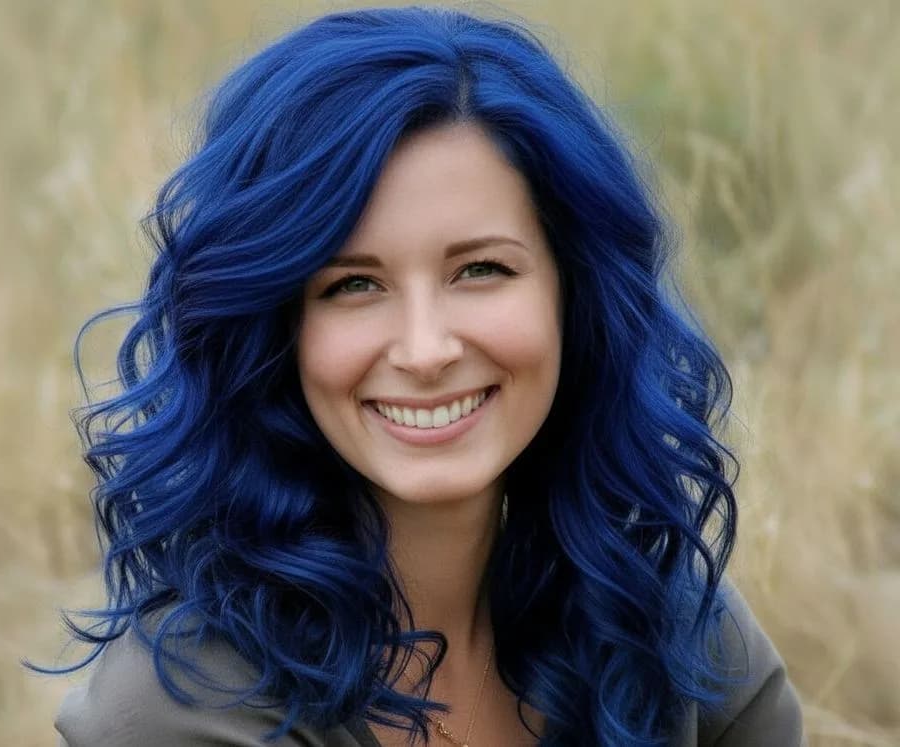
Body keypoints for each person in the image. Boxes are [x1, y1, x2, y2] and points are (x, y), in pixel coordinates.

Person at [42, 6, 805, 746]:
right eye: (353, 284)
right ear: (274, 327)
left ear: (575, 295)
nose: (425, 348)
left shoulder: (668, 627)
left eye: (480, 269)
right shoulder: (184, 709)